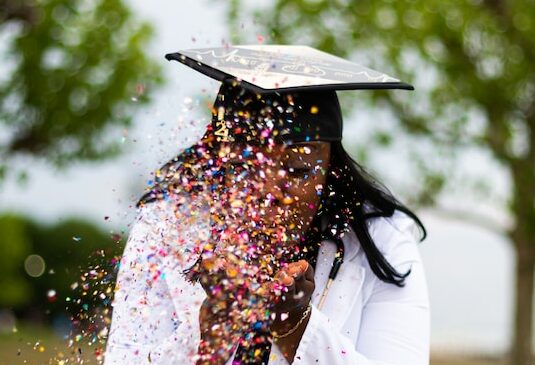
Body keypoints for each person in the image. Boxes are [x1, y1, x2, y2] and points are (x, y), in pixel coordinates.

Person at [104, 46, 430, 365]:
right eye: (246, 167)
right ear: (219, 164)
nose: (271, 191)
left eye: (298, 169)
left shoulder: (382, 239)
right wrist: (209, 341)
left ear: (330, 172)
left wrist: (296, 329)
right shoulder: (168, 226)